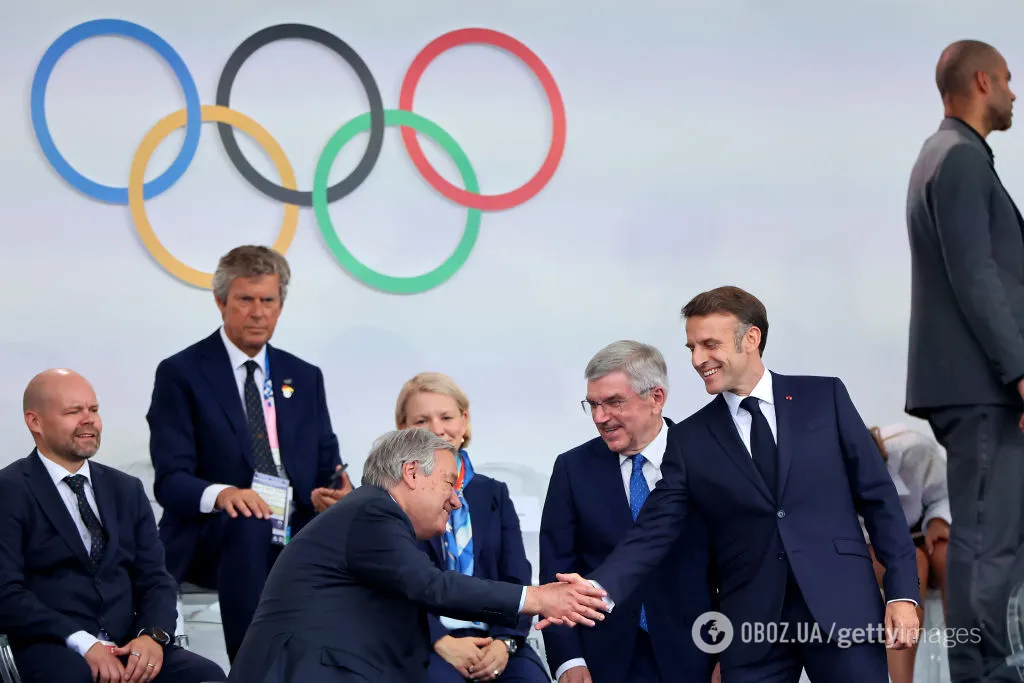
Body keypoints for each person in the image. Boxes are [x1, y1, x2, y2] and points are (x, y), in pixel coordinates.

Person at [558, 287, 920, 683]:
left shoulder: (824, 397)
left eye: (709, 344)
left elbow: (879, 499)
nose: (698, 360)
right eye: (691, 347)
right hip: (750, 625)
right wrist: (599, 588)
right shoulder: (691, 437)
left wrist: (903, 593)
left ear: (751, 339)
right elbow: (654, 528)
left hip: (841, 608)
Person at [227, 428, 610, 683]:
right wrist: (537, 598)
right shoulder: (372, 512)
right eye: (448, 482)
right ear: (412, 473)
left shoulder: (375, 518)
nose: (456, 499)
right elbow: (433, 586)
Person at [145, 245, 352, 662]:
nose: (258, 312)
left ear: (280, 306)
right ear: (221, 302)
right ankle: (252, 667)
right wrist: (223, 494)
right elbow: (171, 480)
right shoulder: (182, 373)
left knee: (363, 527)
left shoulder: (305, 377)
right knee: (251, 520)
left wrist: (334, 494)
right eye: (246, 299)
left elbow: (327, 467)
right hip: (216, 538)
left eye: (268, 301)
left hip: (295, 530)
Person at [905, 38, 1023, 683]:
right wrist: (1020, 369)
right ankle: (984, 672)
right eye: (1006, 80)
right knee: (986, 536)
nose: (1012, 92)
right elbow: (977, 277)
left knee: (993, 533)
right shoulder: (957, 159)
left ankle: (989, 667)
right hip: (982, 383)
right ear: (981, 81)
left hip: (977, 382)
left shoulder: (947, 156)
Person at [0, 369, 226, 683]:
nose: (88, 419)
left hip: (130, 643)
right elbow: (6, 592)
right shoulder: (9, 490)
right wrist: (84, 642)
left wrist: (152, 637)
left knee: (206, 675)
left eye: (93, 410)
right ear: (35, 422)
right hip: (56, 645)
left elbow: (157, 579)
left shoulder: (126, 489)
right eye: (73, 411)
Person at [540, 340, 716, 683]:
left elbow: (736, 568)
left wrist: (733, 656)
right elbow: (556, 572)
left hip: (699, 653)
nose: (600, 417)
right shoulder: (572, 468)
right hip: (604, 660)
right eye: (592, 405)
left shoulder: (707, 459)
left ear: (657, 398)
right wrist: (568, 660)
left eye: (613, 403)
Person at [396, 372, 550, 683]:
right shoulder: (393, 495)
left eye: (447, 417)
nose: (436, 430)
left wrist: (505, 643)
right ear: (402, 429)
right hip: (424, 637)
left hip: (495, 638)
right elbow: (393, 583)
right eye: (421, 420)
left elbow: (516, 577)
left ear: (464, 421)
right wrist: (442, 642)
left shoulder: (494, 493)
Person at [862, 424, 950, 683]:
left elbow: (944, 496)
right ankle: (902, 679)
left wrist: (938, 522)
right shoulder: (829, 477)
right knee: (913, 563)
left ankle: (964, 655)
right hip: (873, 544)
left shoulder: (914, 448)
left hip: (923, 532)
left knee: (949, 556)